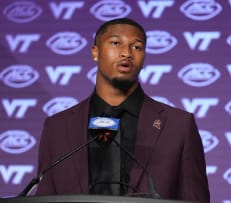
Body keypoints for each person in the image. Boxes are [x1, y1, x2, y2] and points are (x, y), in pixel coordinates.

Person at [35, 18, 210, 202]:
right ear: (95, 52)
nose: (126, 53)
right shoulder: (58, 127)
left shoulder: (178, 126)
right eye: (116, 43)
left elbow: (194, 198)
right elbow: (46, 196)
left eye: (137, 47)